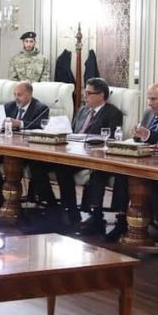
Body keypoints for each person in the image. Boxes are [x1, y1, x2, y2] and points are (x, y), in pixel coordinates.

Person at [40, 78, 123, 233]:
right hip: (73, 153)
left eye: (89, 93)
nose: (85, 97)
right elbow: (72, 131)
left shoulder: (113, 113)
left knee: (65, 170)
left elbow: (111, 138)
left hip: (94, 156)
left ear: (101, 95)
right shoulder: (82, 110)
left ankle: (80, 213)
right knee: (44, 165)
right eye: (85, 93)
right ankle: (63, 208)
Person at [100, 83, 158, 242]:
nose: (149, 103)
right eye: (148, 98)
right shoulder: (148, 113)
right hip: (144, 159)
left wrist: (147, 134)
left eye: (154, 99)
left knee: (156, 186)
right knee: (122, 174)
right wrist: (137, 134)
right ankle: (121, 221)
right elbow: (141, 137)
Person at [0, 81, 49, 212]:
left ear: (30, 94)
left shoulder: (41, 108)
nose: (16, 98)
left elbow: (40, 126)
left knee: (19, 166)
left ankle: (14, 201)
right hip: (7, 147)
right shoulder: (9, 106)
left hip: (28, 151)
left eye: (20, 95)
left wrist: (19, 123)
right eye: (15, 94)